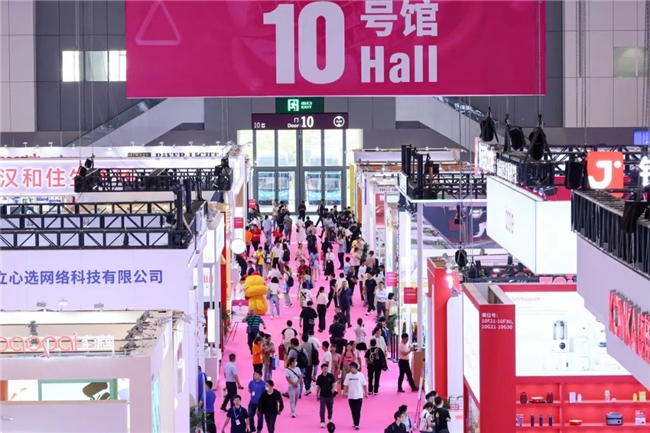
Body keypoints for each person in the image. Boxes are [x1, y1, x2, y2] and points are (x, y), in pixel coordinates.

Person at [342, 362, 367, 430]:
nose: (350, 369)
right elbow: (345, 385)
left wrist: (366, 392)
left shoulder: (360, 375)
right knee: (353, 410)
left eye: (351, 367)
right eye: (349, 367)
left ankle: (357, 424)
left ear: (355, 368)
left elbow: (364, 384)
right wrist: (344, 392)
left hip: (358, 396)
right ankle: (354, 422)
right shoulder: (348, 375)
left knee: (357, 410)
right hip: (351, 396)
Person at [316, 362, 337, 428]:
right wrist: (317, 395)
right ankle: (322, 421)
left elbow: (334, 383)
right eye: (324, 368)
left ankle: (329, 418)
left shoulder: (331, 376)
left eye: (326, 368)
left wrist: (333, 388)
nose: (325, 370)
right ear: (322, 369)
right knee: (322, 409)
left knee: (330, 409)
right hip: (322, 395)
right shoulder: (319, 377)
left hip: (330, 395)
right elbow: (318, 387)